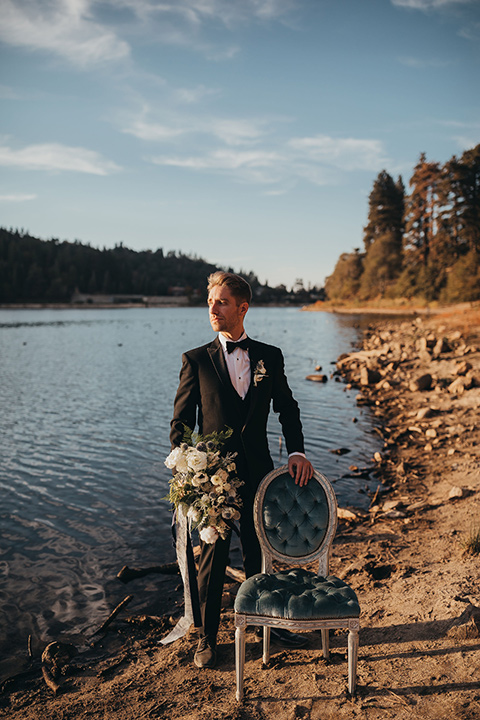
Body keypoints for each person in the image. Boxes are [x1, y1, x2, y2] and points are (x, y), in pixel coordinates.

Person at [170, 271, 314, 669]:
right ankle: (207, 638)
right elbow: (181, 425)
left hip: (259, 472)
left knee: (258, 554)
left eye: (221, 302)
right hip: (211, 479)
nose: (213, 309)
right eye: (210, 302)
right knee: (212, 559)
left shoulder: (270, 356)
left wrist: (298, 451)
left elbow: (288, 408)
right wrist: (186, 469)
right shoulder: (195, 360)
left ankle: (266, 626)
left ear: (242, 308)